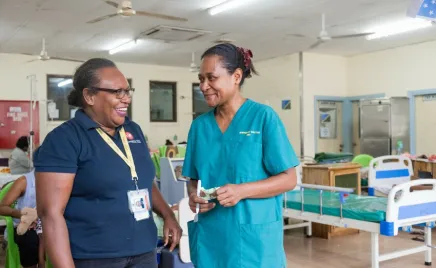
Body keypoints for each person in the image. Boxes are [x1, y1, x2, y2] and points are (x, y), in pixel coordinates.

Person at [34, 58, 182, 268]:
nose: (126, 99)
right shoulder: (65, 139)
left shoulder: (133, 130)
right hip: (95, 257)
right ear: (89, 96)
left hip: (144, 252)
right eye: (117, 92)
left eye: (127, 91)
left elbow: (143, 181)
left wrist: (168, 215)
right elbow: (50, 214)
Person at [182, 43, 300, 268]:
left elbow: (289, 178)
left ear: (236, 76)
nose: (204, 86)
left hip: (254, 238)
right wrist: (194, 197)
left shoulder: (263, 118)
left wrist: (242, 191)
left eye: (211, 78)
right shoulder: (199, 127)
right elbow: (194, 179)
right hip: (212, 237)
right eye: (201, 79)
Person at [0, 170, 45, 268]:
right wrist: (23, 215)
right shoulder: (24, 182)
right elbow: (2, 208)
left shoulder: (58, 179)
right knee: (30, 240)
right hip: (24, 225)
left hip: (46, 222)